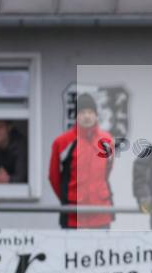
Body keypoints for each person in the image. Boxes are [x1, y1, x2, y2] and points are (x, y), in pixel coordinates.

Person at [48, 93, 114, 229]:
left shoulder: (107, 140)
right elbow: (54, 177)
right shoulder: (62, 142)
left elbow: (107, 171)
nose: (87, 116)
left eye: (90, 112)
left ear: (96, 115)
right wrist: (68, 197)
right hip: (73, 215)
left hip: (101, 214)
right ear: (76, 116)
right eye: (82, 112)